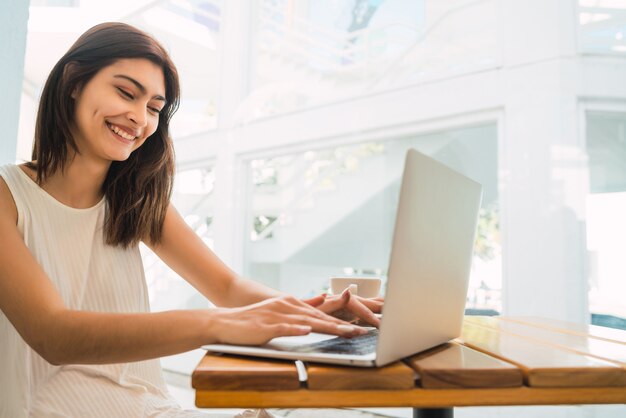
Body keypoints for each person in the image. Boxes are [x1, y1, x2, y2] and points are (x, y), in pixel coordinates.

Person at [0, 22, 382, 418]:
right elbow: (54, 335)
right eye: (126, 93)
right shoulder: (6, 198)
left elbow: (227, 286)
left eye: (153, 108)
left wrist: (312, 312)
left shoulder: (135, 198)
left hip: (149, 407)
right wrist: (222, 324)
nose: (139, 118)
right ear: (74, 81)